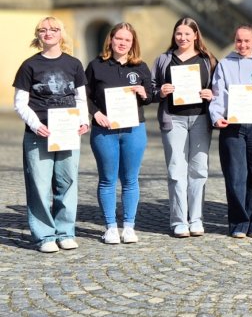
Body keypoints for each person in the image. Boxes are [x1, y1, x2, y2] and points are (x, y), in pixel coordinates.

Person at [13, 17, 90, 253]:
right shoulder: (29, 66)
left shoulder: (74, 64)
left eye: (54, 29)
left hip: (67, 133)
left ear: (62, 34)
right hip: (39, 134)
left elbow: (80, 98)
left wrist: (84, 121)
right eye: (43, 30)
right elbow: (20, 103)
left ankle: (65, 231)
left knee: (67, 183)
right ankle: (45, 235)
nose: (49, 33)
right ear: (38, 36)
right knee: (39, 185)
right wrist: (37, 125)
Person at [85, 23, 154, 245]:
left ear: (132, 43)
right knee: (107, 179)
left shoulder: (141, 67)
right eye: (118, 39)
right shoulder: (96, 66)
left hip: (134, 130)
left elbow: (151, 96)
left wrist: (144, 93)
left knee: (131, 179)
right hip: (104, 131)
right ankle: (110, 227)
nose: (122, 43)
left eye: (127, 40)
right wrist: (95, 114)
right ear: (110, 40)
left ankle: (129, 226)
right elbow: (83, 96)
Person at [153, 17, 217, 238]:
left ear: (196, 35)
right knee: (176, 170)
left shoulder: (208, 60)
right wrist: (161, 91)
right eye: (179, 34)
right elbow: (152, 88)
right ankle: (179, 220)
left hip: (200, 119)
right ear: (174, 35)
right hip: (174, 120)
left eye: (187, 34)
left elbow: (218, 89)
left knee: (199, 171)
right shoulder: (164, 59)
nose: (183, 38)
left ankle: (196, 218)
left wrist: (212, 95)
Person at [210, 25, 252, 238]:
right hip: (232, 124)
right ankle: (239, 223)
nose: (243, 45)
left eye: (247, 41)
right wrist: (216, 116)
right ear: (234, 41)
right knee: (236, 175)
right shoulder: (224, 64)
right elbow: (218, 94)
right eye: (239, 41)